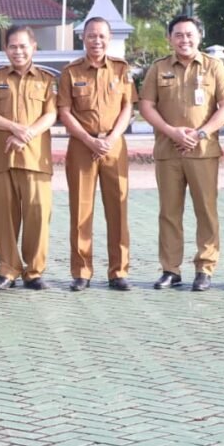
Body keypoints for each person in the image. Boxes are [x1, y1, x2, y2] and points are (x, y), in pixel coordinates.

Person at [139, 15, 224, 291]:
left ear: (199, 36)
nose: (184, 40)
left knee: (206, 211)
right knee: (169, 212)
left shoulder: (214, 67)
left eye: (189, 34)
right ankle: (171, 269)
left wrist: (201, 133)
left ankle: (205, 269)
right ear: (169, 39)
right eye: (178, 35)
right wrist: (172, 132)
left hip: (202, 151)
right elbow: (146, 106)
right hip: (168, 151)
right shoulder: (158, 69)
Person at [57, 17, 134, 292]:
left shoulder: (121, 69)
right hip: (81, 146)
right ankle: (82, 271)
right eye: (91, 36)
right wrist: (89, 140)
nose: (96, 41)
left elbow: (127, 107)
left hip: (114, 145)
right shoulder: (71, 72)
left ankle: (119, 271)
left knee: (118, 210)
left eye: (101, 36)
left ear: (109, 38)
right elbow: (64, 111)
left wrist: (112, 137)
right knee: (81, 211)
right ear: (83, 38)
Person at [0, 26, 58, 291]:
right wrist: (15, 128)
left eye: (23, 46)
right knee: (4, 219)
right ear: (6, 49)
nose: (18, 51)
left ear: (34, 46)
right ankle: (7, 270)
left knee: (38, 216)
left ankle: (34, 272)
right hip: (5, 159)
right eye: (12, 46)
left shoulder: (46, 79)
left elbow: (51, 115)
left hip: (37, 160)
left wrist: (27, 134)